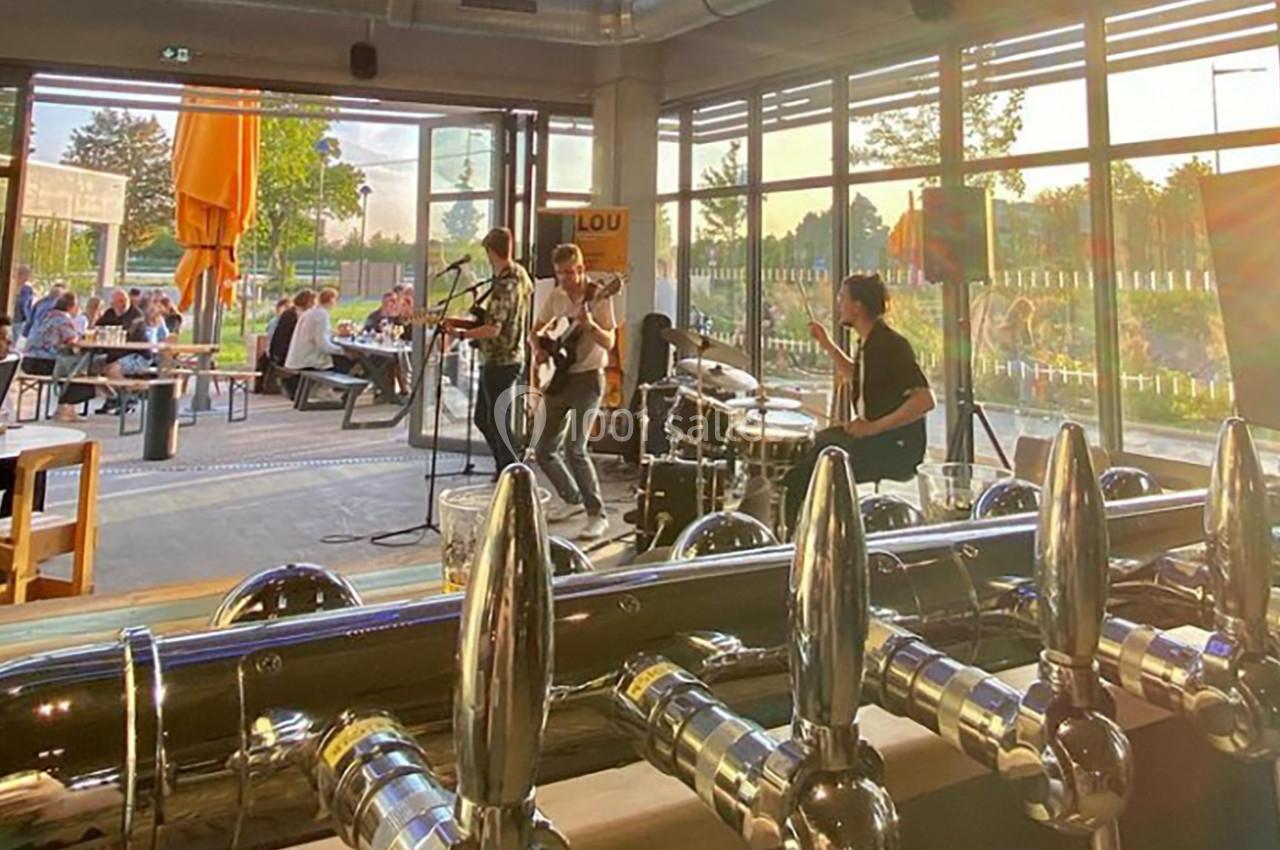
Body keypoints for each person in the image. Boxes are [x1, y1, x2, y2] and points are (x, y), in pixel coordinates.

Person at [782, 273, 936, 532]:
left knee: (802, 476)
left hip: (895, 447)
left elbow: (925, 400)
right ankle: (810, 531)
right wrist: (825, 343)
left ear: (857, 306)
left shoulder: (891, 344)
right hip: (874, 437)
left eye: (843, 298)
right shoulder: (870, 341)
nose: (839, 303)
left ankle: (799, 542)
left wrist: (872, 427)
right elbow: (858, 376)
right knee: (806, 448)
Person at [529, 244, 616, 541]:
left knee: (575, 448)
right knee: (543, 450)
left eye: (568, 273)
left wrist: (589, 325)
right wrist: (539, 350)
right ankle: (572, 499)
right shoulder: (556, 296)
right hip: (559, 378)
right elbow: (535, 330)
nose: (564, 279)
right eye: (559, 273)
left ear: (580, 269)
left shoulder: (599, 296)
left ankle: (597, 514)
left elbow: (609, 342)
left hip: (589, 380)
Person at [449, 227, 530, 476]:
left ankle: (512, 469)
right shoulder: (519, 275)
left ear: (490, 251)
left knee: (494, 420)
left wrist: (462, 334)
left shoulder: (506, 284)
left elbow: (494, 329)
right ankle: (505, 467)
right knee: (486, 419)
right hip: (505, 357)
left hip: (501, 359)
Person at [22, 291, 94, 422]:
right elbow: (72, 341)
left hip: (27, 362)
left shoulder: (45, 317)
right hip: (44, 363)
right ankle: (65, 409)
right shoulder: (63, 320)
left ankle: (66, 408)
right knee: (77, 370)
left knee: (71, 367)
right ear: (72, 307)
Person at [285, 287, 353, 373]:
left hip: (297, 360)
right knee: (346, 362)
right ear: (331, 299)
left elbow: (318, 334)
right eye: (336, 299)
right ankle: (346, 385)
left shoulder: (310, 312)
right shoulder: (321, 315)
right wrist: (344, 351)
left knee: (341, 361)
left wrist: (336, 333)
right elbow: (323, 345)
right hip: (308, 362)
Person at [13, 266, 34, 337]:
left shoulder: (28, 289)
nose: (26, 279)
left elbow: (28, 306)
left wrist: (28, 319)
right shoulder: (9, 287)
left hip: (20, 321)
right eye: (24, 275)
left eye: (27, 276)